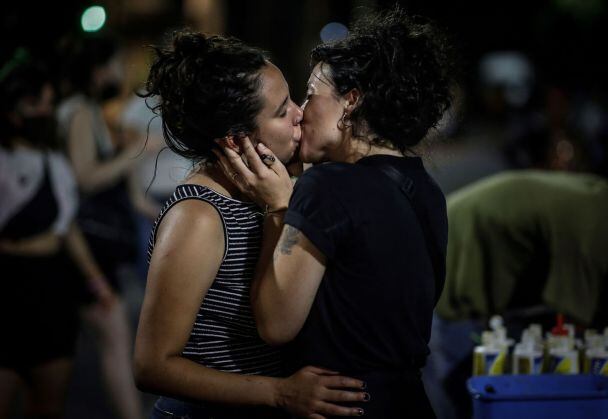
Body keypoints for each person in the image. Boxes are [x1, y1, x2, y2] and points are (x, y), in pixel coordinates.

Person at [216, 8, 456, 418]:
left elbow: (276, 324)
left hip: (341, 405)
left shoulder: (327, 187)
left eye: (311, 94)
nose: (301, 111)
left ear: (351, 101)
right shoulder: (425, 189)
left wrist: (278, 208)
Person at [133, 31, 367, 419]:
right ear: (234, 140)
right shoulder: (198, 217)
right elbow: (152, 365)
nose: (300, 113)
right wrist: (280, 393)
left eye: (293, 98)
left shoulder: (270, 189)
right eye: (281, 111)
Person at [423, 169, 608, 419]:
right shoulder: (595, 229)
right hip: (451, 251)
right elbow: (575, 317)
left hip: (466, 234)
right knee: (456, 387)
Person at [0, 55, 114, 419]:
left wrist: (96, 282)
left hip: (50, 289)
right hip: (6, 288)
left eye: (49, 103)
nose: (44, 112)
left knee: (49, 404)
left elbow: (67, 231)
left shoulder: (56, 164)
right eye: (35, 104)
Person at [56, 35, 144, 419]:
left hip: (85, 244)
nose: (121, 72)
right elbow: (86, 177)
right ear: (97, 71)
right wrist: (135, 153)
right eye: (116, 64)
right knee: (114, 341)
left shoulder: (88, 109)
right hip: (83, 245)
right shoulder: (78, 112)